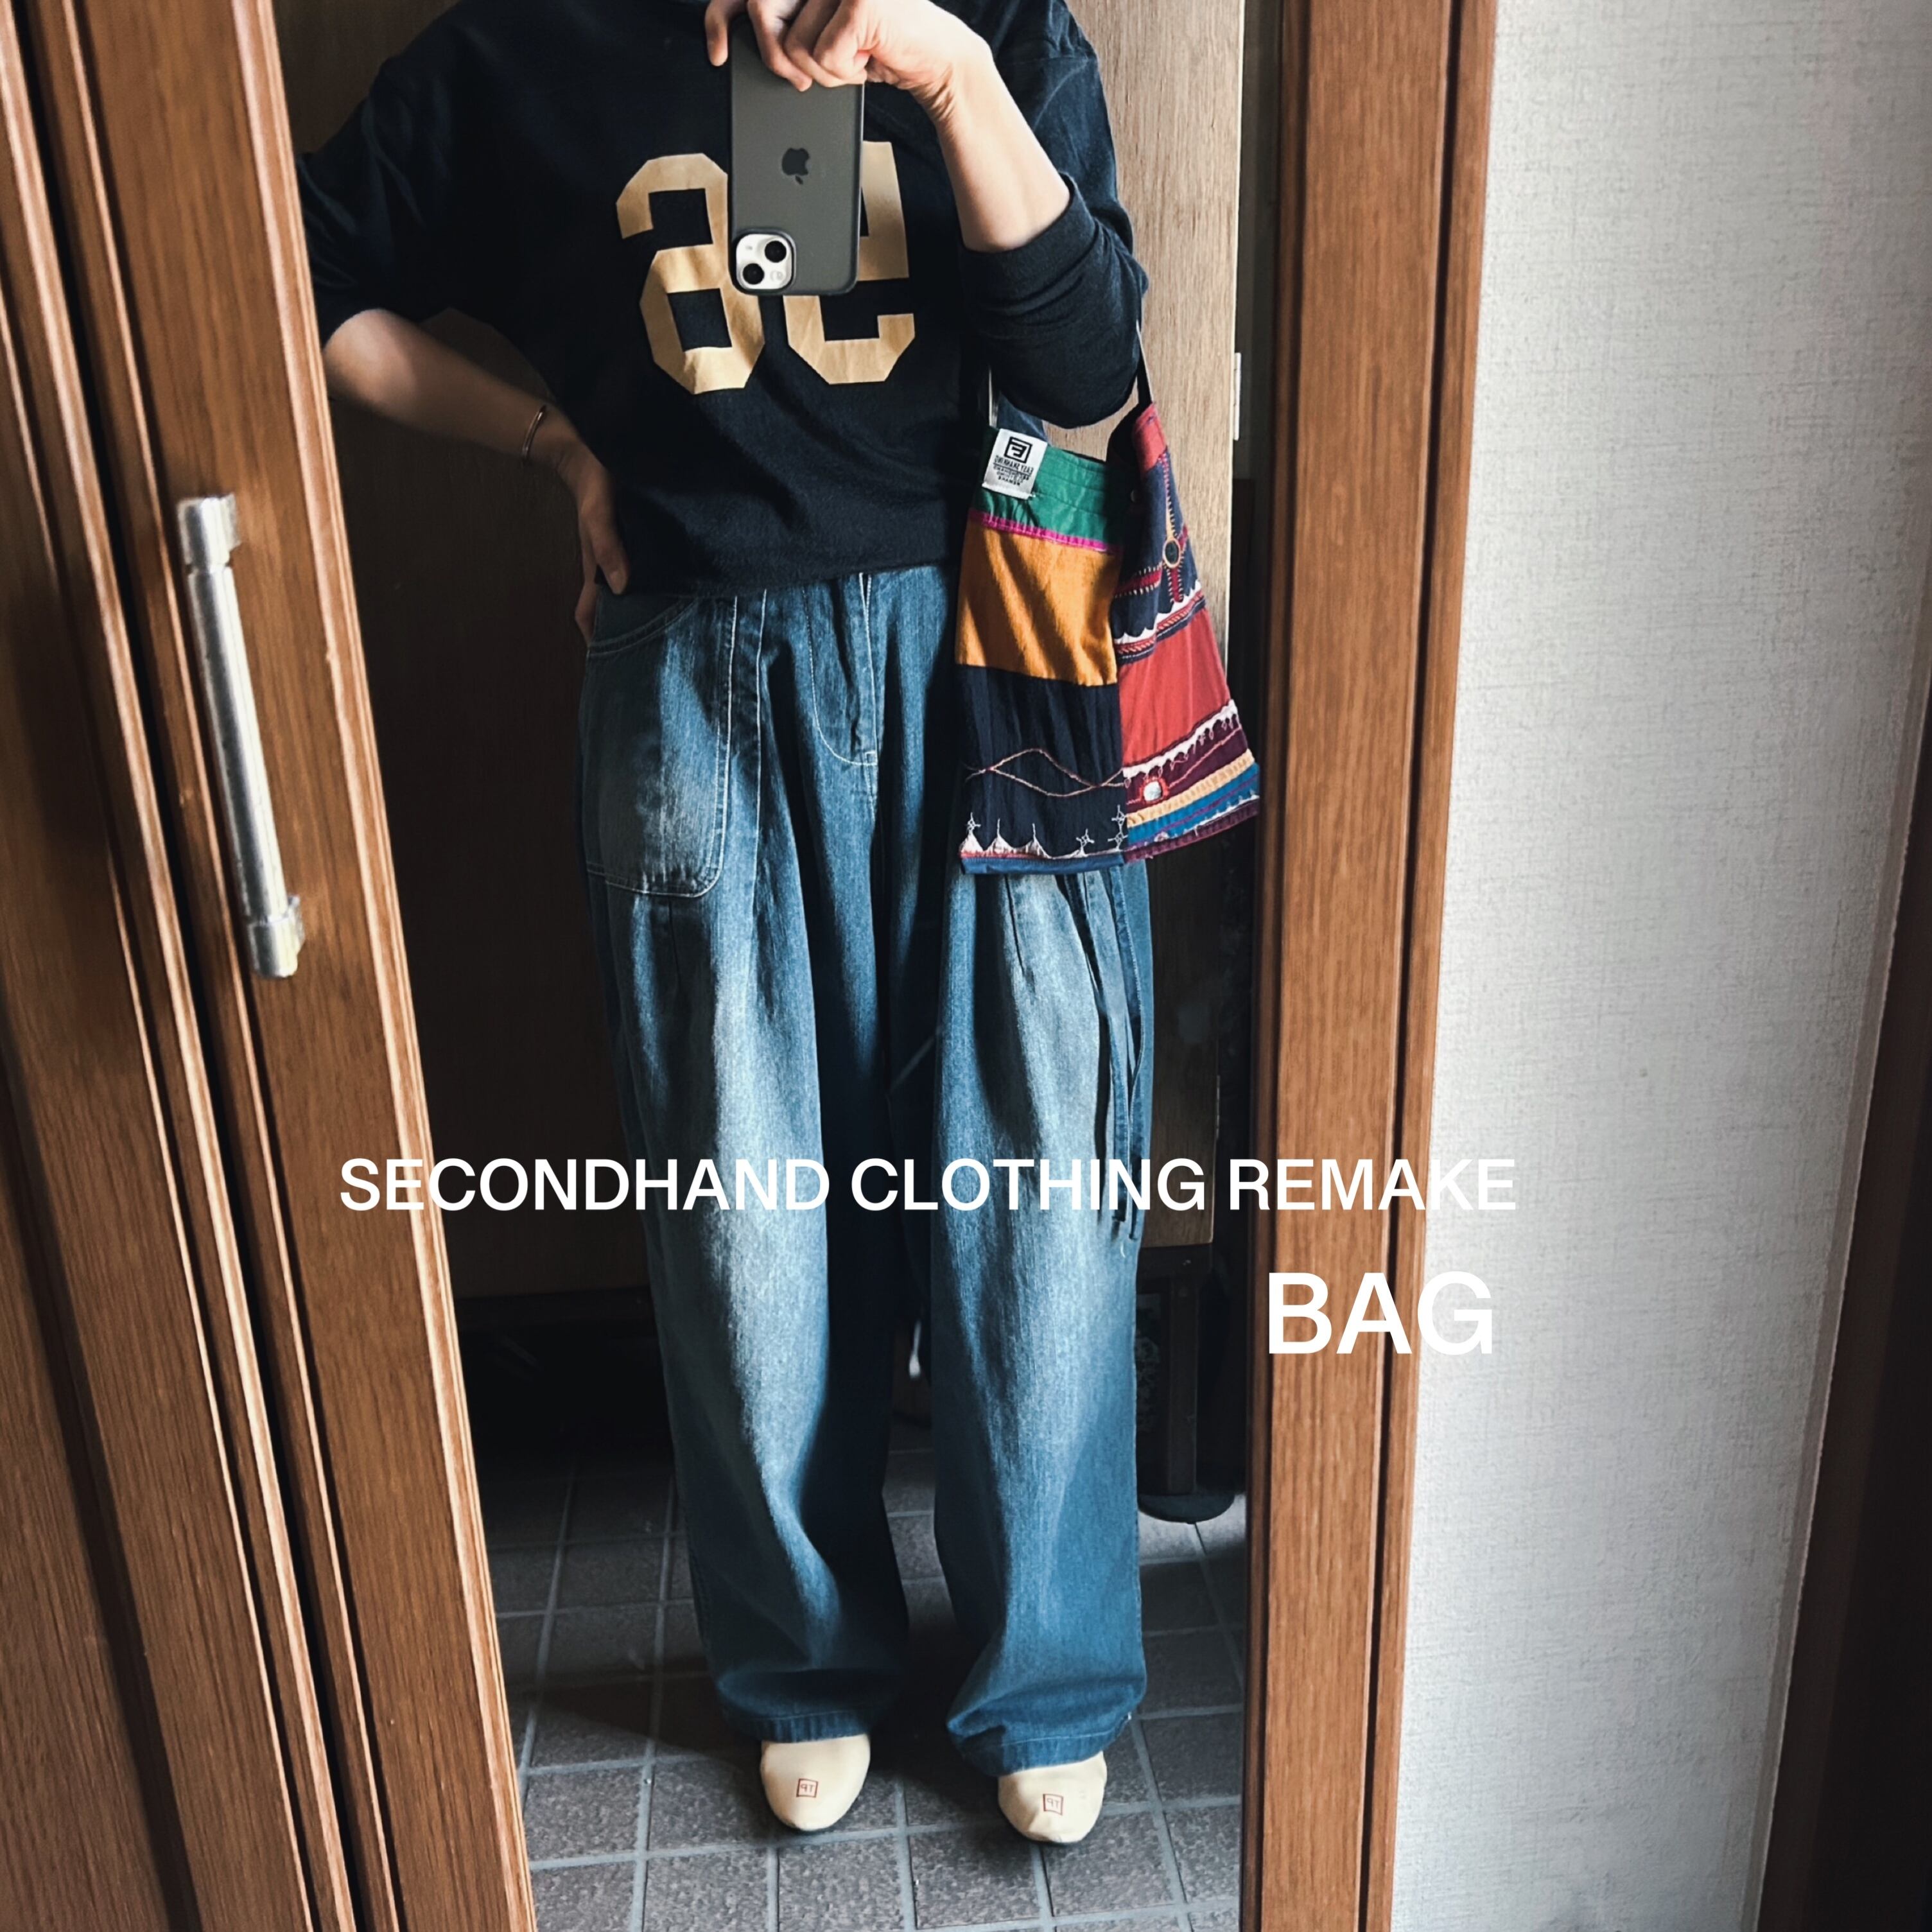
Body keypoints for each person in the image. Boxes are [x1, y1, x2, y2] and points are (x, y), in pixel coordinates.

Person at [300, 0, 1151, 1846]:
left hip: (1001, 631)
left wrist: (944, 70)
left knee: (1040, 1183)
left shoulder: (990, 18)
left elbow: (1089, 364)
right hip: (696, 661)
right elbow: (292, 279)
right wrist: (551, 443)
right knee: (739, 1206)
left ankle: (1050, 1677)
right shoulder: (512, 56)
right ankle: (801, 1663)